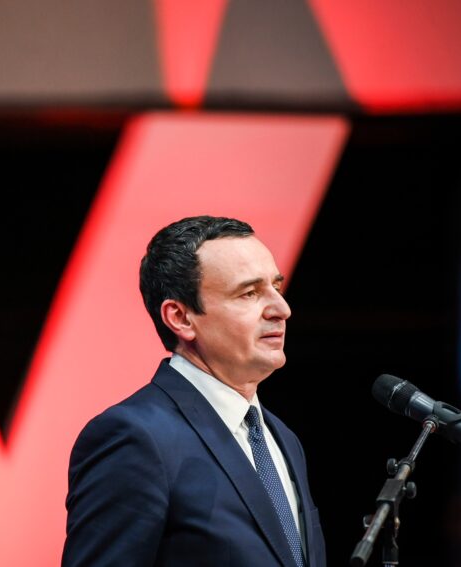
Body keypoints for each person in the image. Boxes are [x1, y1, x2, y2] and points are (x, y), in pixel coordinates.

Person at [62, 216, 325, 567]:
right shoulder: (135, 437)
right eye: (249, 293)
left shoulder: (282, 438)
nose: (282, 309)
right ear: (181, 318)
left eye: (277, 287)